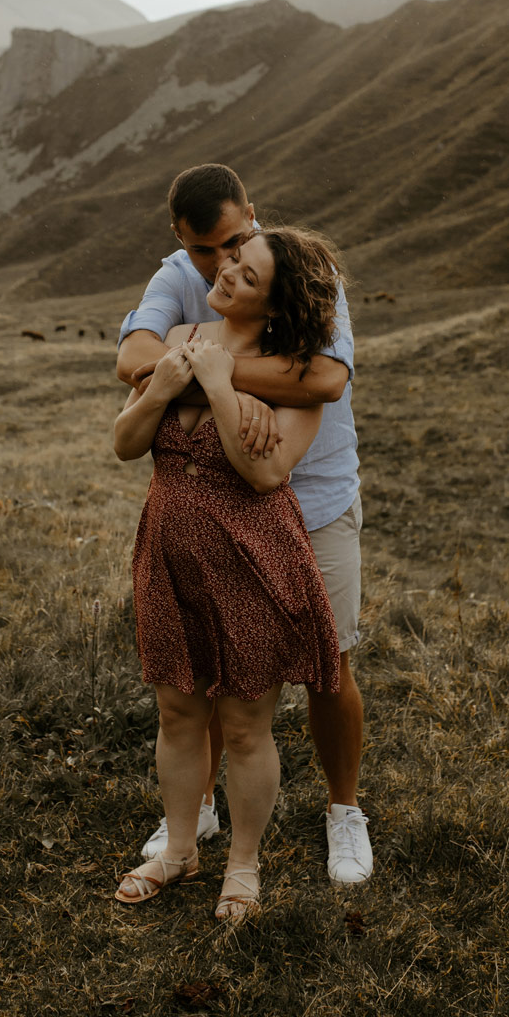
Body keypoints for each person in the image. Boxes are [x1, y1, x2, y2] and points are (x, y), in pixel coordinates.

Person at [117, 164, 372, 885]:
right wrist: (211, 369)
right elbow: (132, 358)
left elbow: (324, 379)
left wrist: (210, 368)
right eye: (205, 252)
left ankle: (343, 812)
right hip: (204, 513)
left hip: (313, 497)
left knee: (331, 664)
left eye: (236, 244)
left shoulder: (299, 269)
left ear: (252, 216)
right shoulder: (181, 277)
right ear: (181, 241)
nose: (221, 263)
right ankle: (194, 812)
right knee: (203, 674)